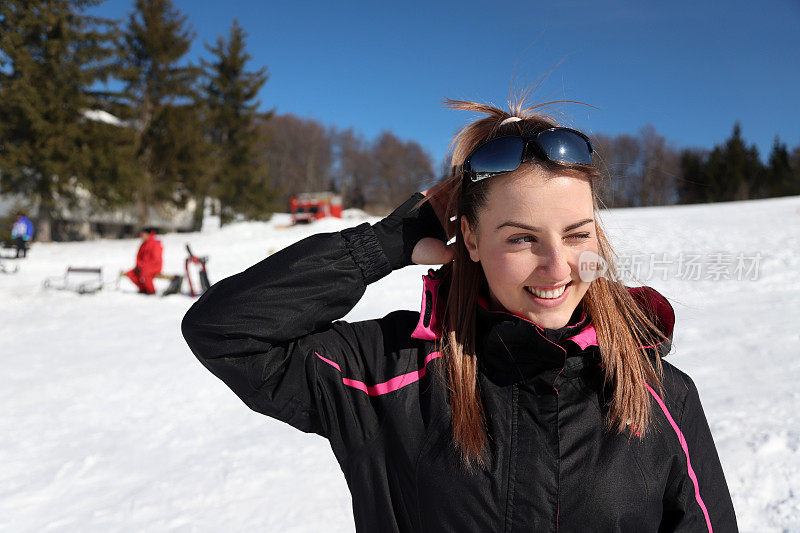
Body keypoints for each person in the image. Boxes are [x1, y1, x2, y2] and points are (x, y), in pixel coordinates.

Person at [182, 97, 738, 531]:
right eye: (520, 240)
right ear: (469, 238)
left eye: (576, 234)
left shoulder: (660, 394)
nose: (557, 266)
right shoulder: (388, 374)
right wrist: (382, 246)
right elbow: (226, 331)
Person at [126, 228, 163, 295]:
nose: (141, 237)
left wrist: (143, 266)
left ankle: (151, 291)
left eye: (143, 235)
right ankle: (143, 289)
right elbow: (138, 257)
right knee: (130, 273)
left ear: (148, 235)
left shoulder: (155, 243)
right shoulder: (143, 244)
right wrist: (138, 266)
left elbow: (156, 259)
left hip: (154, 267)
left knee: (145, 273)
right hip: (143, 267)